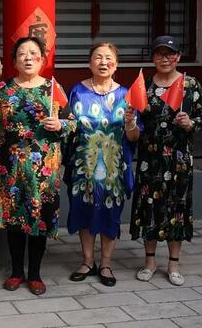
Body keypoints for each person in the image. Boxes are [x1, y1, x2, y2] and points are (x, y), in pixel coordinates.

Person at [0, 37, 75, 296]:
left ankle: (35, 274)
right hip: (10, 167)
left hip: (43, 169)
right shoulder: (2, 89)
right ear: (14, 61)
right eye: (22, 54)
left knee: (38, 220)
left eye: (33, 53)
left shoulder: (52, 88)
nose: (27, 58)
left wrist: (60, 125)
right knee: (14, 219)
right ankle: (16, 272)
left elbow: (72, 122)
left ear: (42, 60)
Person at [130, 35, 202, 286]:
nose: (164, 58)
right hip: (150, 158)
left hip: (179, 160)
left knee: (177, 208)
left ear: (178, 57)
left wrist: (190, 123)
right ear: (153, 57)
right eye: (159, 54)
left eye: (170, 54)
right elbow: (136, 121)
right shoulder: (145, 86)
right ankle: (149, 262)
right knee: (150, 207)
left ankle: (174, 264)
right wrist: (130, 119)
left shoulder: (190, 84)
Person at [64, 42, 140, 287]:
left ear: (116, 64)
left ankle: (106, 263)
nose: (103, 62)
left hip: (113, 167)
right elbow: (67, 126)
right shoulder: (77, 91)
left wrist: (130, 123)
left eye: (108, 57)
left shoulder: (126, 95)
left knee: (110, 213)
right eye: (98, 57)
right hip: (83, 166)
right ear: (90, 63)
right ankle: (87, 261)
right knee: (83, 210)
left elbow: (134, 137)